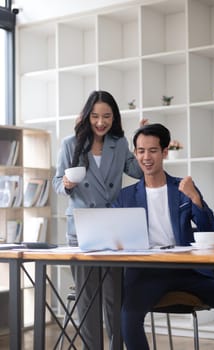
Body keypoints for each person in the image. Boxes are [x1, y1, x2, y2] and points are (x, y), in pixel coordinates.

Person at [113, 123, 214, 350]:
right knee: (128, 317)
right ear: (135, 153)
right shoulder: (125, 197)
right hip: (147, 274)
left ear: (165, 151)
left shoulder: (183, 187)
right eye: (141, 151)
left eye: (153, 150)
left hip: (187, 270)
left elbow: (210, 229)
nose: (146, 157)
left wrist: (195, 198)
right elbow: (117, 239)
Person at [52, 90, 143, 350]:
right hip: (81, 228)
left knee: (116, 298)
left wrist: (139, 141)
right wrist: (67, 183)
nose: (100, 122)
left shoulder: (120, 143)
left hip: (112, 228)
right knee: (88, 298)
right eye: (95, 116)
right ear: (87, 116)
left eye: (106, 116)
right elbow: (58, 183)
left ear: (114, 117)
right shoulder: (71, 143)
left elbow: (137, 171)